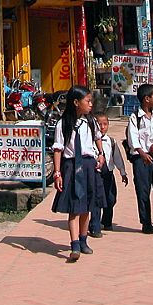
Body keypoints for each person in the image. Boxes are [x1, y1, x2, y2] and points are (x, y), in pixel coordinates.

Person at [51, 85, 105, 262]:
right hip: (71, 166)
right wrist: (57, 173)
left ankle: (83, 240)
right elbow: (58, 149)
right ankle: (74, 244)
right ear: (76, 102)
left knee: (87, 205)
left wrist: (101, 154)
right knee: (75, 206)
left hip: (89, 165)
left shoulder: (90, 121)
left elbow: (97, 138)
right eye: (87, 101)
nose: (90, 104)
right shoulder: (63, 124)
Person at [126, 83, 153, 236]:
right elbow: (133, 138)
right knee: (143, 191)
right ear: (147, 99)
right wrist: (142, 153)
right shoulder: (134, 118)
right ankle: (146, 221)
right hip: (141, 159)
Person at [89, 112, 128, 237]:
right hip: (97, 173)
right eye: (99, 124)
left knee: (110, 198)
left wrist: (122, 172)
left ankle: (107, 221)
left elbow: (117, 158)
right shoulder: (90, 141)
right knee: (97, 200)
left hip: (109, 173)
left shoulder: (111, 141)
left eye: (105, 124)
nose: (102, 127)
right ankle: (94, 225)